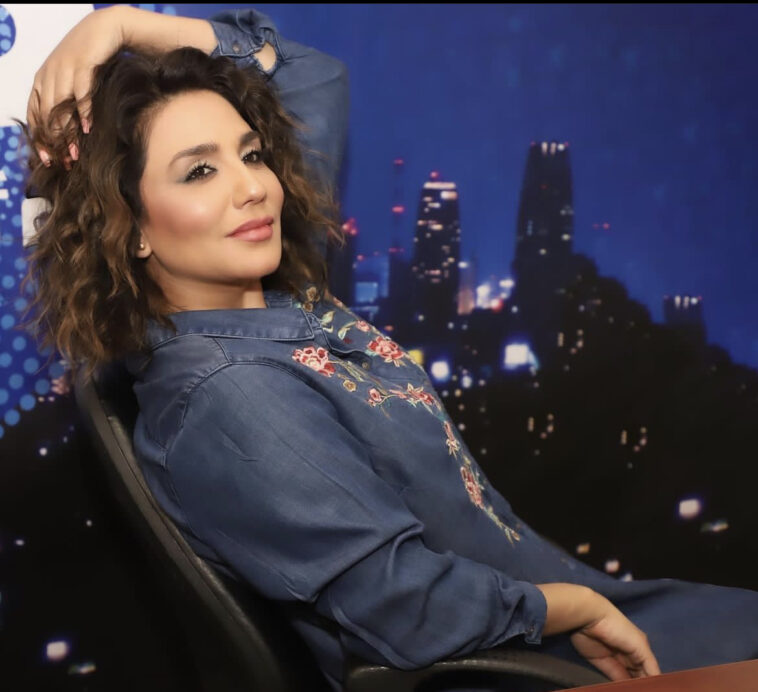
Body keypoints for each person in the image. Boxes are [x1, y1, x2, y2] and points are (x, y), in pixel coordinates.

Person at [21, 6, 758, 691]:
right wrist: (574, 607)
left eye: (253, 154)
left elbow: (309, 75)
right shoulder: (230, 394)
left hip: (589, 614)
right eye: (200, 171)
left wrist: (124, 25)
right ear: (131, 227)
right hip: (538, 659)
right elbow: (408, 606)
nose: (253, 188)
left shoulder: (280, 294)